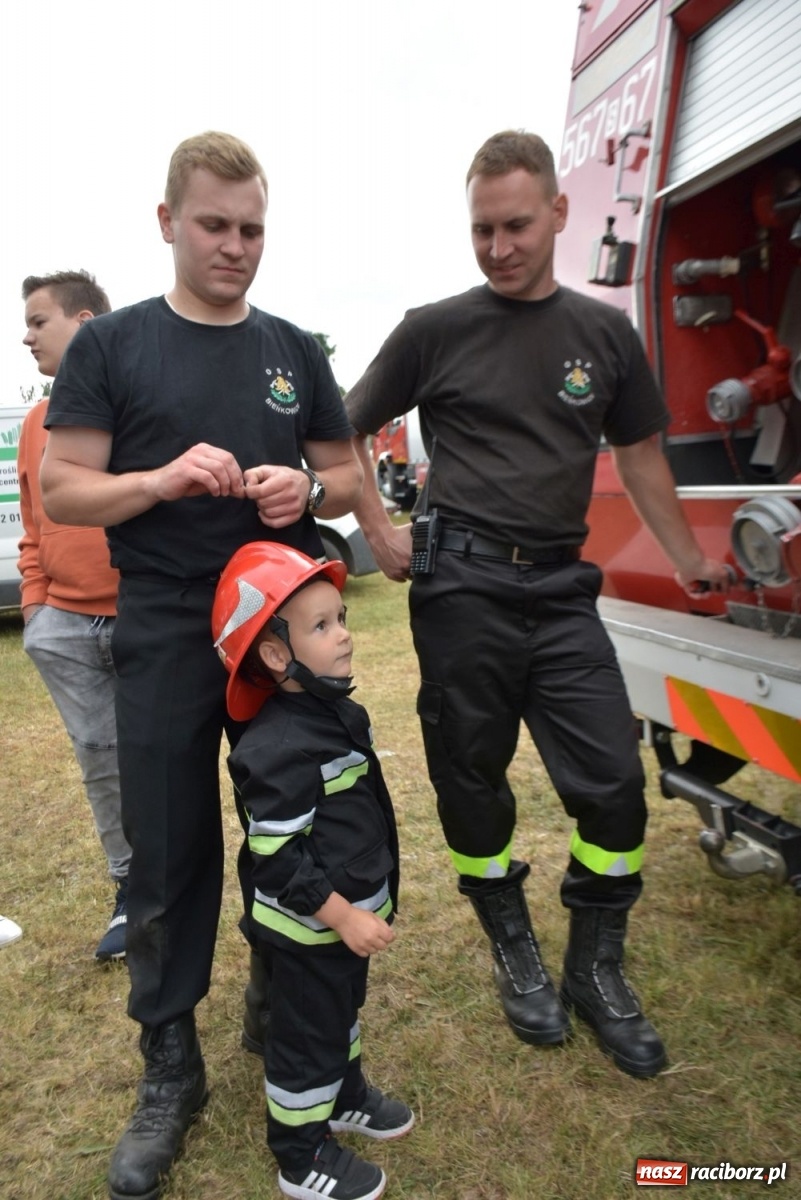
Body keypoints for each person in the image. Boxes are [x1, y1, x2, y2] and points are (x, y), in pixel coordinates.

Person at [345, 130, 732, 1081]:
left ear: (558, 213)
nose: (498, 245)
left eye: (516, 224)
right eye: (481, 228)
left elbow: (640, 456)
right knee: (472, 785)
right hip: (460, 586)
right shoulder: (432, 328)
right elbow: (340, 427)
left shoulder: (603, 336)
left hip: (562, 592)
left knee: (613, 786)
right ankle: (512, 945)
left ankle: (595, 970)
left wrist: (689, 561)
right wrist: (376, 529)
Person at [40, 131, 362, 1200]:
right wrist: (163, 480)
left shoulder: (291, 346)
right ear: (168, 221)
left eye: (253, 228)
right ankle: (168, 1064)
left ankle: (290, 1017)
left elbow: (349, 477)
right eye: (216, 225)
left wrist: (305, 497)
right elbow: (63, 491)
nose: (236, 246)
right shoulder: (115, 346)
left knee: (305, 825)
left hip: (279, 622)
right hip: (171, 622)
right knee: (169, 851)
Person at [213, 541, 413, 1200]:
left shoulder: (334, 714)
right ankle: (301, 1154)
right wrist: (343, 915)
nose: (345, 637)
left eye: (342, 618)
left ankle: (345, 1094)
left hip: (343, 924)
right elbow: (278, 862)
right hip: (309, 933)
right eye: (322, 626)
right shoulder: (274, 749)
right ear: (274, 654)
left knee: (340, 1015)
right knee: (303, 1040)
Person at [19, 270, 131, 962]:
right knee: (100, 761)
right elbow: (35, 524)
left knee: (162, 761)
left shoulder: (135, 401)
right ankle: (129, 891)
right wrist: (36, 610)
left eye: (38, 321)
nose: (25, 336)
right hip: (62, 623)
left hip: (140, 619)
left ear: (84, 321)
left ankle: (180, 891)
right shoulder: (36, 422)